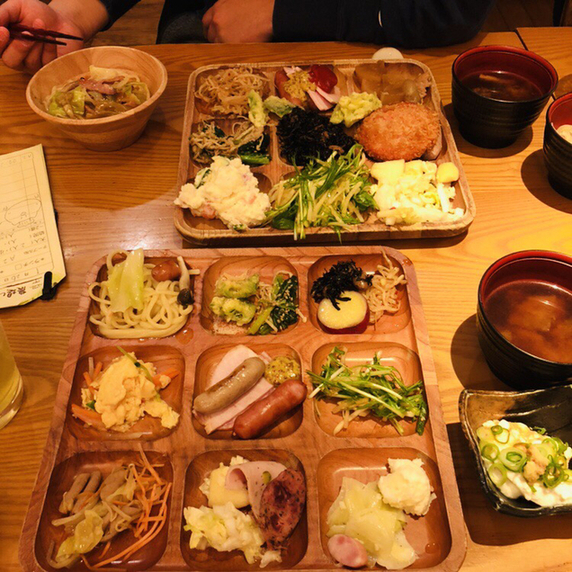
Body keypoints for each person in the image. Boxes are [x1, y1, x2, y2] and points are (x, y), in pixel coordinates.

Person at [0, 0, 496, 73]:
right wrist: (78, 11)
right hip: (207, 39)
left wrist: (285, 13)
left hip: (373, 42)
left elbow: (450, 9)